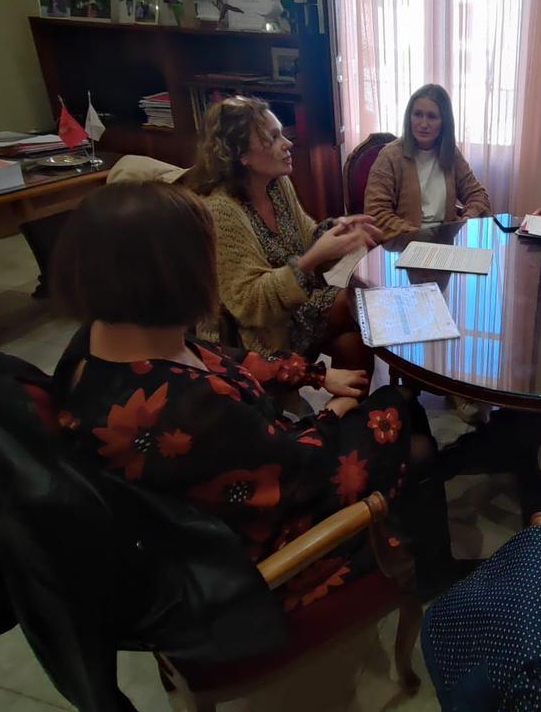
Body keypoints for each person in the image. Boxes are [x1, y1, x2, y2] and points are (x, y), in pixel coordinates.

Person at [49, 182, 459, 598]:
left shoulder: (105, 340)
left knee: (400, 416)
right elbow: (303, 470)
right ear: (177, 277)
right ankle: (425, 569)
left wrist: (316, 377)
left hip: (245, 480)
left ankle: (423, 523)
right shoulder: (188, 407)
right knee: (408, 426)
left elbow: (218, 356)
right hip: (258, 555)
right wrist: (333, 411)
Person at [189, 96, 381, 369]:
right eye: (274, 137)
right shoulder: (220, 211)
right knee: (359, 301)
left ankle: (349, 410)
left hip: (294, 311)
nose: (288, 143)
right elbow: (250, 304)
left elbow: (308, 238)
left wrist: (338, 230)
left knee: (354, 333)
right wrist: (311, 260)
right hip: (255, 335)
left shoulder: (277, 185)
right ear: (240, 154)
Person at [363, 84, 492, 239]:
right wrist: (419, 236)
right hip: (404, 243)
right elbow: (376, 213)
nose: (423, 124)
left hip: (445, 241)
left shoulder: (451, 154)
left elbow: (477, 195)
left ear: (444, 122)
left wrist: (467, 220)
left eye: (432, 117)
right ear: (409, 118)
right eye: (417, 114)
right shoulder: (390, 156)